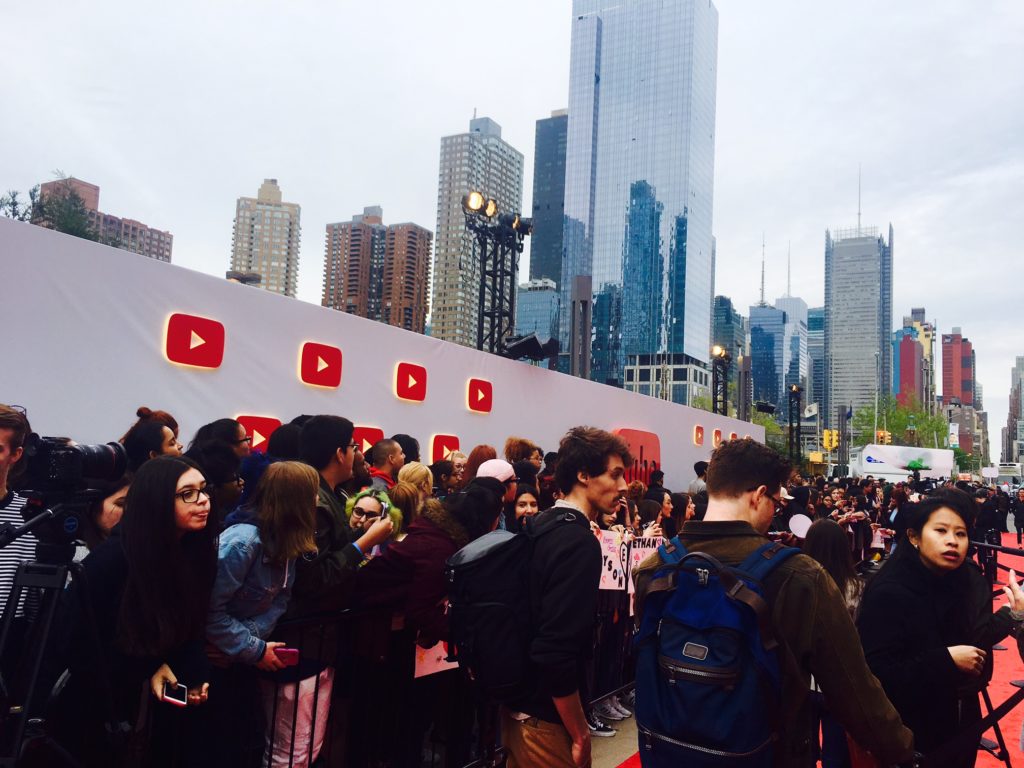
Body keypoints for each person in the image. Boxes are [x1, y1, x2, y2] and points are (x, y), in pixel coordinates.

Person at [633, 438, 914, 767]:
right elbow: (854, 690)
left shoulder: (654, 567)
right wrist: (902, 748)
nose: (774, 513)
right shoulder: (801, 576)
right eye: (776, 504)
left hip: (668, 753)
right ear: (758, 495)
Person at [54, 455, 217, 765]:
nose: (203, 500)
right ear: (157, 501)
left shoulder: (192, 550)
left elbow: (189, 623)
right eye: (187, 494)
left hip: (141, 705)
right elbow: (79, 640)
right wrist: (148, 666)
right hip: (91, 705)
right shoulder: (114, 558)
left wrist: (196, 674)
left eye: (204, 489)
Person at [857, 489, 1024, 767]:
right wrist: (946, 660)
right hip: (910, 732)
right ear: (914, 537)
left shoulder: (956, 580)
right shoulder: (889, 591)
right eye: (941, 530)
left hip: (958, 720)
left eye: (960, 533)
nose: (952, 541)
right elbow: (876, 675)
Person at [502, 426, 631, 768]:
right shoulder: (577, 541)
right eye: (615, 474)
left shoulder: (541, 525)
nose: (623, 486)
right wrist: (579, 732)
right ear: (584, 475)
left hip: (518, 710)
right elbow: (555, 651)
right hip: (546, 720)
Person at [205, 461, 319, 767]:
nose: (317, 500)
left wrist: (248, 645)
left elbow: (281, 598)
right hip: (212, 664)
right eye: (313, 493)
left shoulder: (288, 538)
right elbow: (208, 611)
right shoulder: (242, 543)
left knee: (246, 744)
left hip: (237, 658)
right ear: (295, 499)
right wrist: (253, 649)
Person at [803, 519, 864, 767]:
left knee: (800, 751)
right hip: (840, 681)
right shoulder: (856, 588)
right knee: (836, 755)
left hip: (802, 678)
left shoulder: (798, 584)